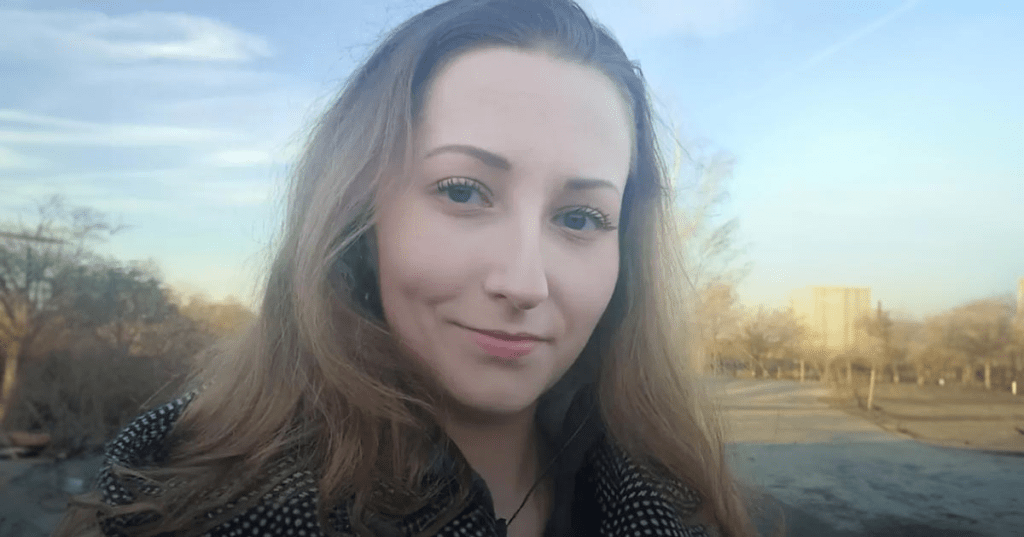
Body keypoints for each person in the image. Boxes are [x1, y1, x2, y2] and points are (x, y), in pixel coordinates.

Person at [55, 0, 757, 535]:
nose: (524, 282)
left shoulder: (678, 501)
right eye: (463, 192)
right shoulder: (214, 510)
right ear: (360, 214)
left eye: (579, 218)